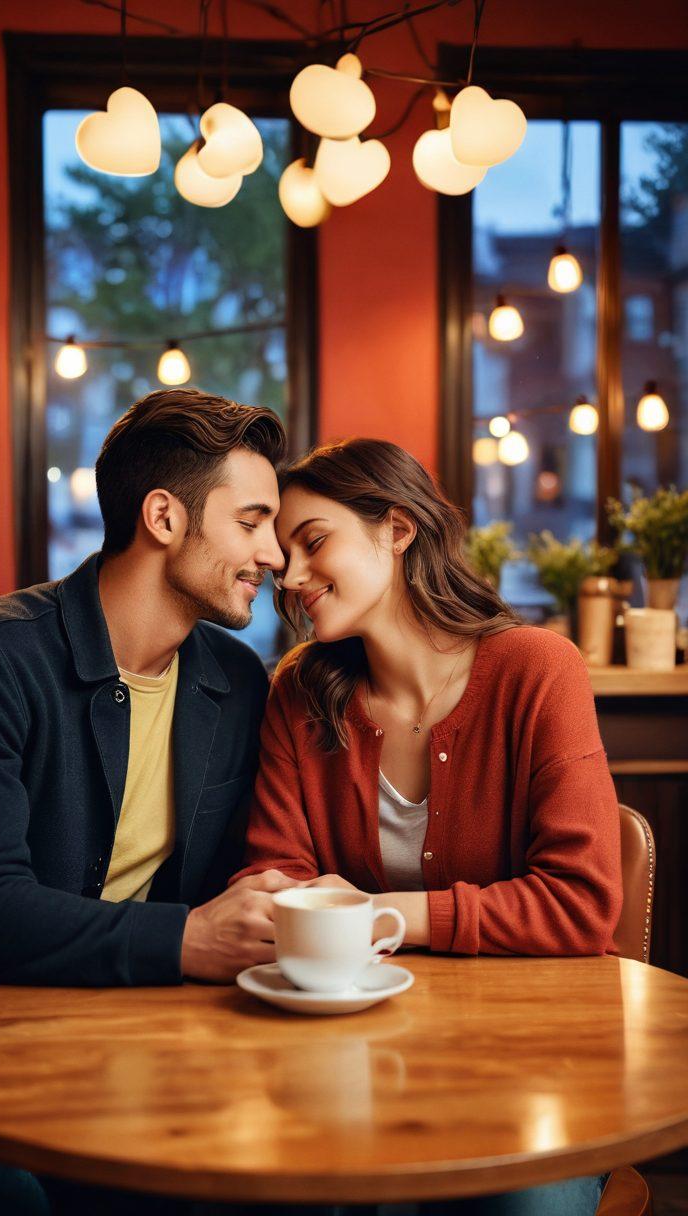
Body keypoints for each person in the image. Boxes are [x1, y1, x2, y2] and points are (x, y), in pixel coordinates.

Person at [0, 388, 301, 1216]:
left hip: (137, 1046)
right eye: (251, 523)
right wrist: (191, 937)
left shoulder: (237, 681)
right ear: (163, 517)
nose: (273, 554)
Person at [234, 437, 622, 1216]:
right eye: (285, 556)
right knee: (285, 1189)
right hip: (348, 1054)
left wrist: (377, 914)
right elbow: (271, 882)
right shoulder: (300, 693)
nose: (293, 576)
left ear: (397, 529)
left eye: (314, 542)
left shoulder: (539, 671)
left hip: (536, 1060)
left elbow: (580, 904)